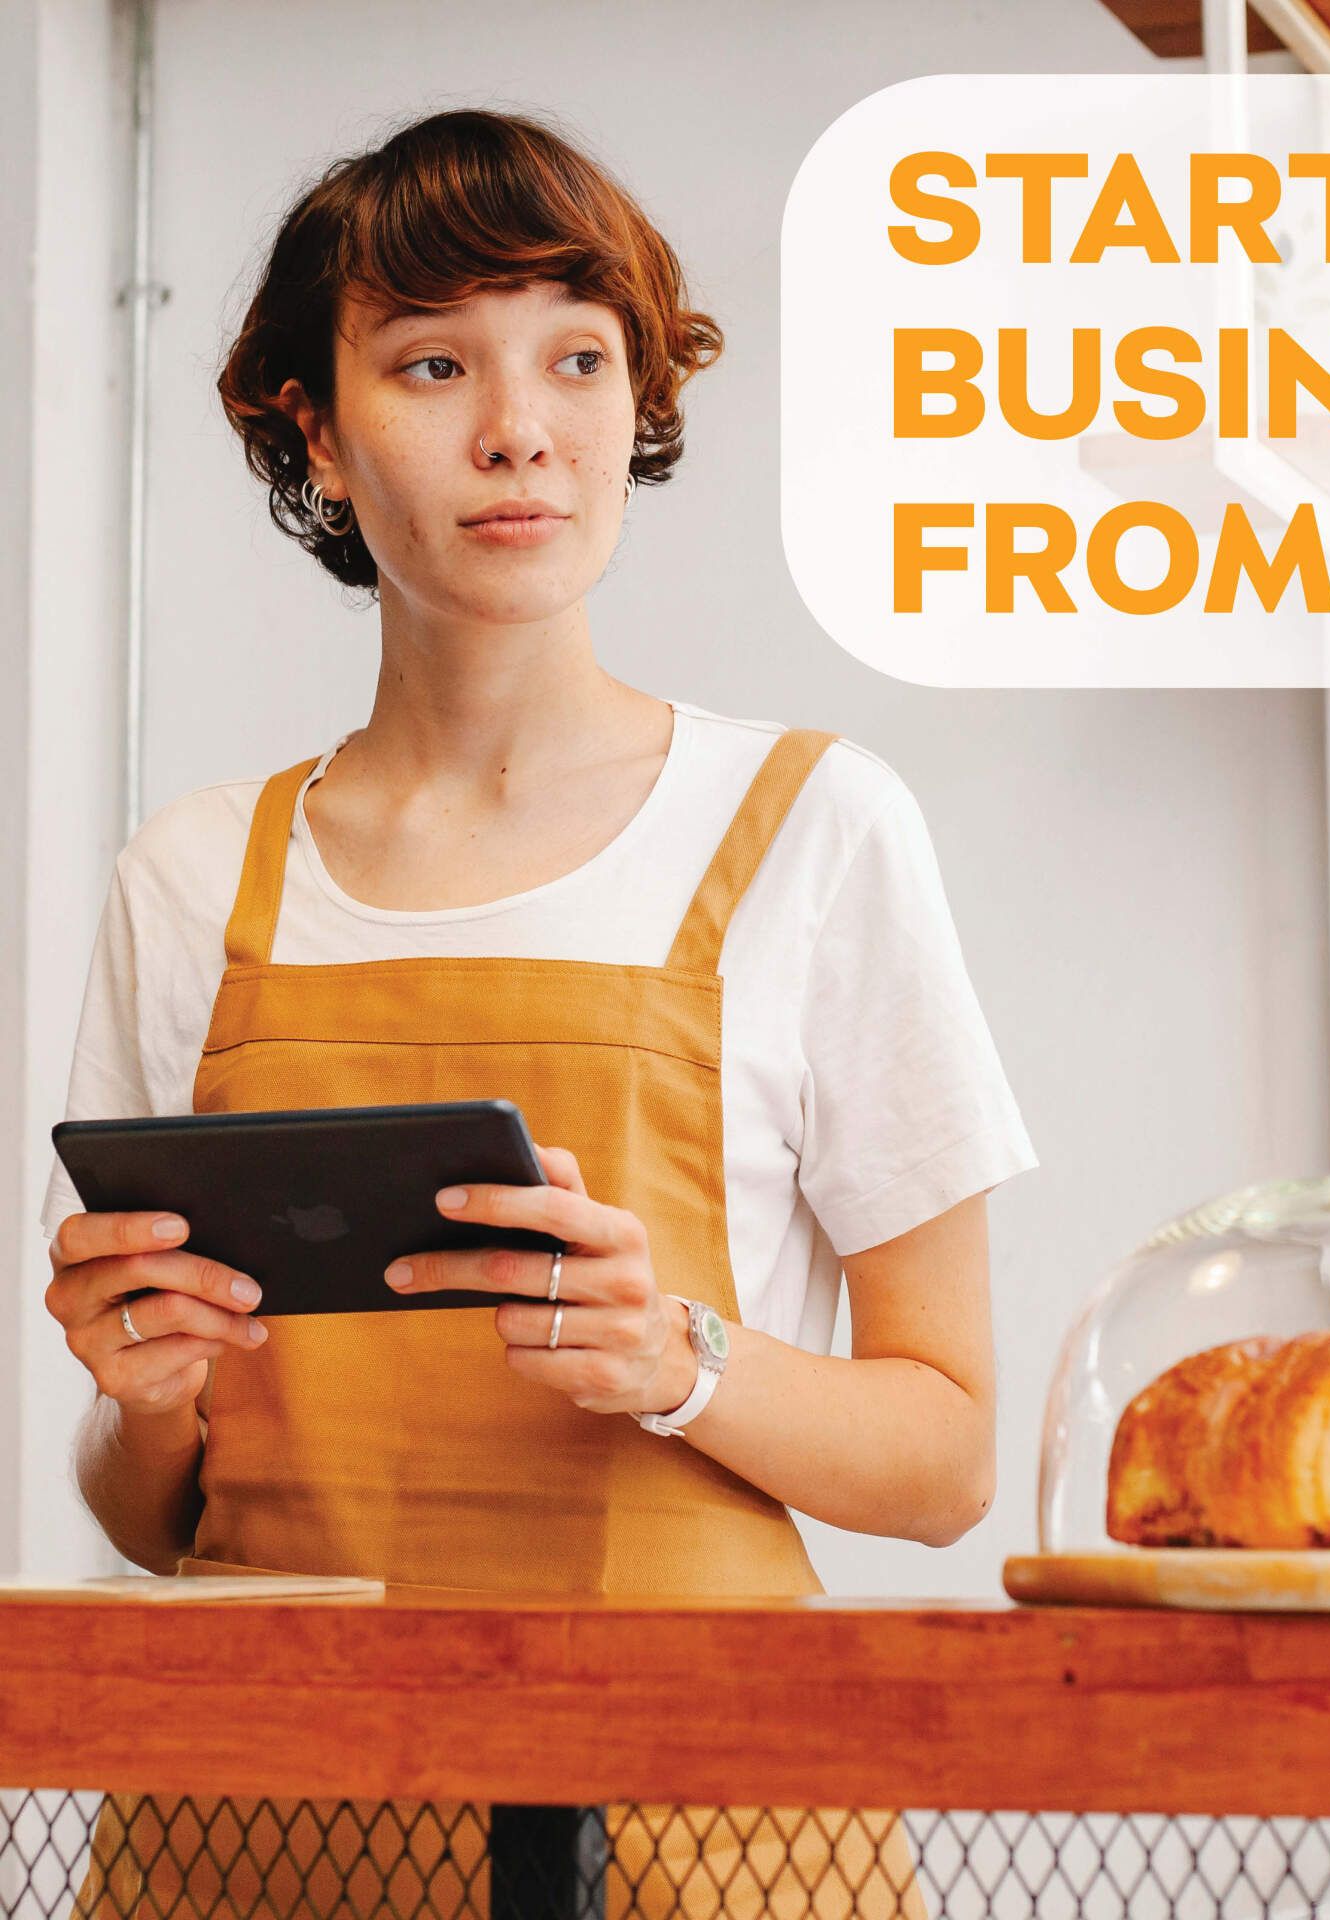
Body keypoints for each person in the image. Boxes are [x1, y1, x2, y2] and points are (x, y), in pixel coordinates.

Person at [39, 105, 1037, 1920]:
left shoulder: (817, 828)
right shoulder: (191, 878)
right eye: (433, 363)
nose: (518, 427)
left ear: (632, 405)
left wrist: (685, 1363)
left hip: (703, 1830)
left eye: (577, 357)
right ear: (314, 434)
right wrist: (150, 1396)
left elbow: (949, 1458)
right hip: (261, 1838)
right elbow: (152, 1511)